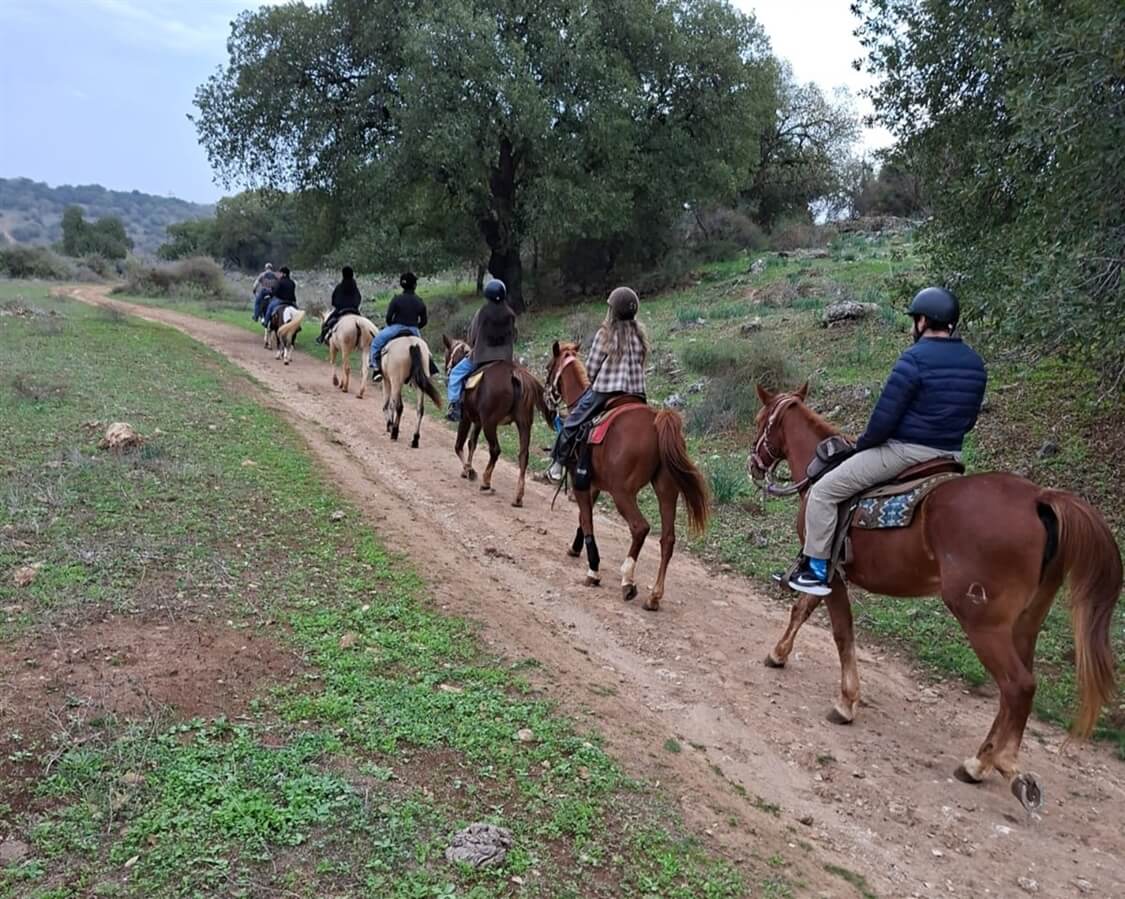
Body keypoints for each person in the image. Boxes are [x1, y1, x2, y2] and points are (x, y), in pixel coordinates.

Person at [787, 286, 987, 596]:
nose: (912, 326)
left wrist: (863, 444)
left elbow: (883, 421)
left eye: (914, 320)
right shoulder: (975, 363)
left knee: (824, 491)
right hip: (949, 455)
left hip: (905, 452)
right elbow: (970, 420)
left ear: (923, 321)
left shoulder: (914, 359)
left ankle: (815, 569)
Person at [546, 286, 649, 482]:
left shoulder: (606, 334)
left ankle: (557, 465)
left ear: (612, 311)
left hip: (607, 391)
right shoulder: (640, 335)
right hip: (637, 394)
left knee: (573, 421)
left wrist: (595, 380)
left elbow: (592, 368)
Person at [445, 277, 516, 422]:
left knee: (455, 374)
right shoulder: (510, 313)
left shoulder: (482, 312)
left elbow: (473, 334)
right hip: (505, 358)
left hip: (482, 357)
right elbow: (515, 335)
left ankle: (455, 406)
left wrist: (472, 346)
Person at [368, 272, 432, 380]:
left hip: (396, 327)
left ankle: (376, 368)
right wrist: (415, 327)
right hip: (413, 329)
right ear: (415, 285)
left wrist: (392, 325)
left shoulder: (396, 299)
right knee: (426, 352)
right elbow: (424, 321)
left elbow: (388, 318)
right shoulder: (420, 301)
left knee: (376, 343)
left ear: (401, 285)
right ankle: (429, 370)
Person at [316, 266, 362, 344]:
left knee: (327, 323)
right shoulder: (355, 287)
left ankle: (322, 337)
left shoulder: (340, 287)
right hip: (354, 311)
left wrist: (338, 305)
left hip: (341, 310)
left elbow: (334, 300)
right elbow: (359, 298)